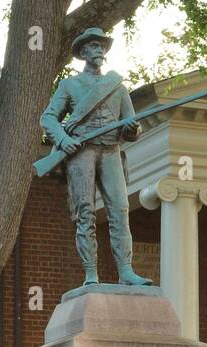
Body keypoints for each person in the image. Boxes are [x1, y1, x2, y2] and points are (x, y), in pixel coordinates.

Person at [40, 28, 152, 287]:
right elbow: (48, 117)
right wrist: (63, 139)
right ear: (83, 52)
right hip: (83, 152)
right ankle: (91, 273)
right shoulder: (70, 85)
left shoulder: (118, 87)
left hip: (111, 151)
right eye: (93, 45)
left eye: (102, 45)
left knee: (120, 211)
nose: (100, 49)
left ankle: (126, 271)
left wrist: (132, 128)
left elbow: (131, 127)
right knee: (85, 213)